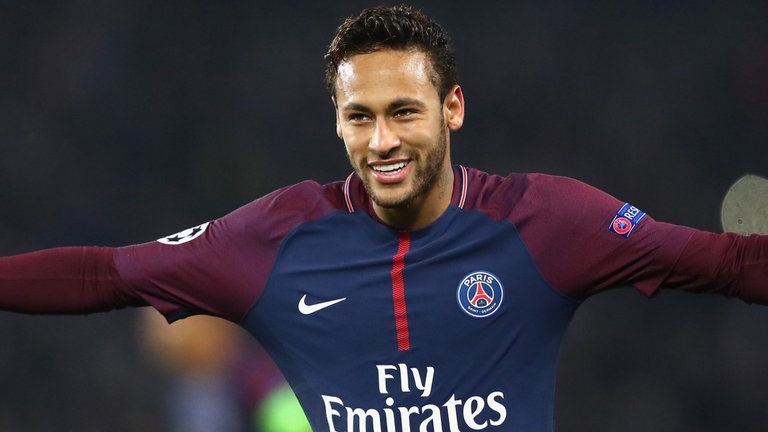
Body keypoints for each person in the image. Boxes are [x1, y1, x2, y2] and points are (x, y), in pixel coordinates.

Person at [1, 4, 767, 432]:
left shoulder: (545, 221)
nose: (382, 142)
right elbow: (108, 274)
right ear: (337, 121)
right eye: (359, 116)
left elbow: (729, 263)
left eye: (404, 111)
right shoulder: (276, 238)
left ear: (452, 107)